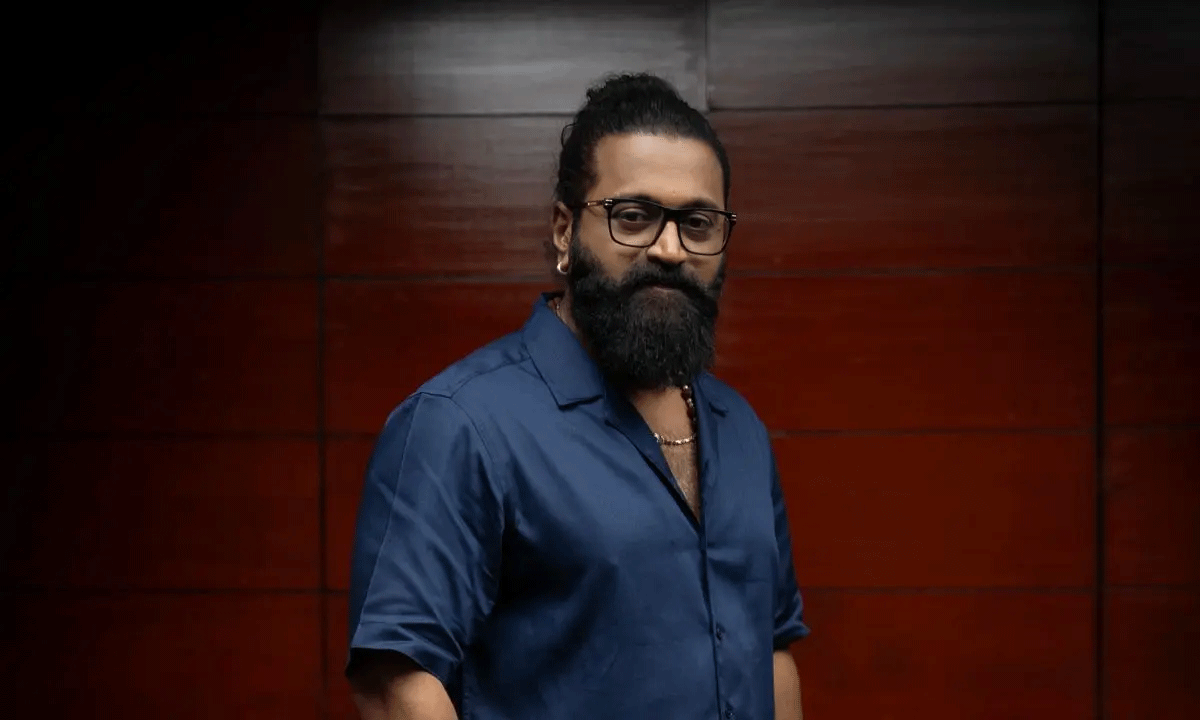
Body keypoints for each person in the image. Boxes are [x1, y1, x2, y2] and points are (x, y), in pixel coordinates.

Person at [345, 72, 809, 720]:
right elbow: (396, 682)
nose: (670, 248)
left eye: (698, 223)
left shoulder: (740, 428)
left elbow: (773, 648)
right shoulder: (462, 425)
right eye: (633, 217)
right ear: (565, 230)